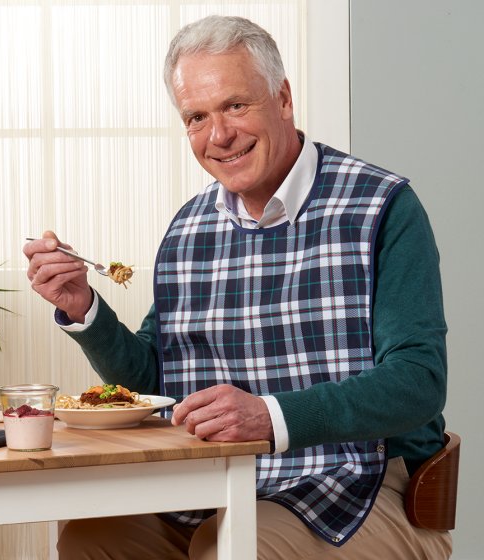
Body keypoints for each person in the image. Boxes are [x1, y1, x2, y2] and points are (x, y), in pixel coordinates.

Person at [24, 15, 452, 560]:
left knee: (229, 547)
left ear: (284, 97)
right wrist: (85, 309)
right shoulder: (189, 227)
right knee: (92, 538)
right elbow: (159, 378)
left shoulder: (383, 207)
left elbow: (419, 381)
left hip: (361, 482)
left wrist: (271, 417)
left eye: (235, 105)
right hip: (212, 484)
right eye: (196, 117)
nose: (218, 135)